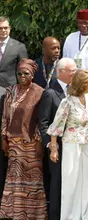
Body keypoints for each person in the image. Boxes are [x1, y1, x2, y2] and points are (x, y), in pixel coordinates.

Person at [47, 69, 88, 220]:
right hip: (71, 145)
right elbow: (56, 127)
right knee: (71, 182)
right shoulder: (67, 102)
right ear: (82, 84)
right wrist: (54, 149)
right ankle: (70, 217)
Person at [0, 59, 47, 219]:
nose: (22, 76)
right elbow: (5, 116)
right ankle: (15, 213)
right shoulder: (11, 91)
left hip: (31, 144)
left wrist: (40, 142)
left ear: (32, 75)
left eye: (26, 73)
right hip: (14, 143)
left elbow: (41, 120)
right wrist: (3, 138)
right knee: (14, 179)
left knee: (32, 181)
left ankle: (34, 214)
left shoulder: (40, 92)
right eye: (19, 73)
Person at [37, 58, 77, 220]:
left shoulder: (75, 91)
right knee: (57, 184)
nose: (75, 73)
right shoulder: (50, 93)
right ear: (61, 72)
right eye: (72, 71)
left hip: (73, 145)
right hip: (57, 147)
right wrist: (50, 145)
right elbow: (44, 122)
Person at [0, 16, 29, 89]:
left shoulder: (19, 47)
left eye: (5, 28)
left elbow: (24, 70)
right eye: (0, 28)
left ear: (9, 28)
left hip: (10, 89)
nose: (3, 30)